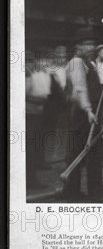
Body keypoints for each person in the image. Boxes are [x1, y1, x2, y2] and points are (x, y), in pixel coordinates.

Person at [63, 27, 103, 202]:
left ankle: (72, 191)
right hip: (82, 114)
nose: (91, 46)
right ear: (78, 46)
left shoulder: (89, 63)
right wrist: (89, 110)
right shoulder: (76, 63)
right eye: (87, 43)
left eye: (93, 43)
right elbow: (80, 89)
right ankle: (94, 194)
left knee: (79, 151)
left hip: (90, 113)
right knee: (94, 153)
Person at [25, 49, 51, 189]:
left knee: (33, 146)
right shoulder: (24, 74)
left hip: (35, 114)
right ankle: (30, 180)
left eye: (31, 61)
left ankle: (31, 177)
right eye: (27, 61)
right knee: (29, 148)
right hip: (28, 114)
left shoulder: (32, 74)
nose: (30, 64)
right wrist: (38, 100)